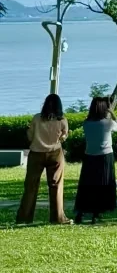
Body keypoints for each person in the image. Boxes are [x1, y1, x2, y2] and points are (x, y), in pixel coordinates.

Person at [16, 93, 71, 225]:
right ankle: (58, 218)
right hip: (55, 153)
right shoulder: (62, 119)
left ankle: (24, 218)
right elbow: (63, 137)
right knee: (56, 185)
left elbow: (30, 136)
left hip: (36, 153)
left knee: (31, 186)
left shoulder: (36, 118)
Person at [74, 95, 117, 224]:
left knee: (87, 185)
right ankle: (97, 212)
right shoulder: (108, 123)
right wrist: (112, 113)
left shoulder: (86, 123)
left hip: (89, 156)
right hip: (105, 156)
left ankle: (81, 212)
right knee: (103, 184)